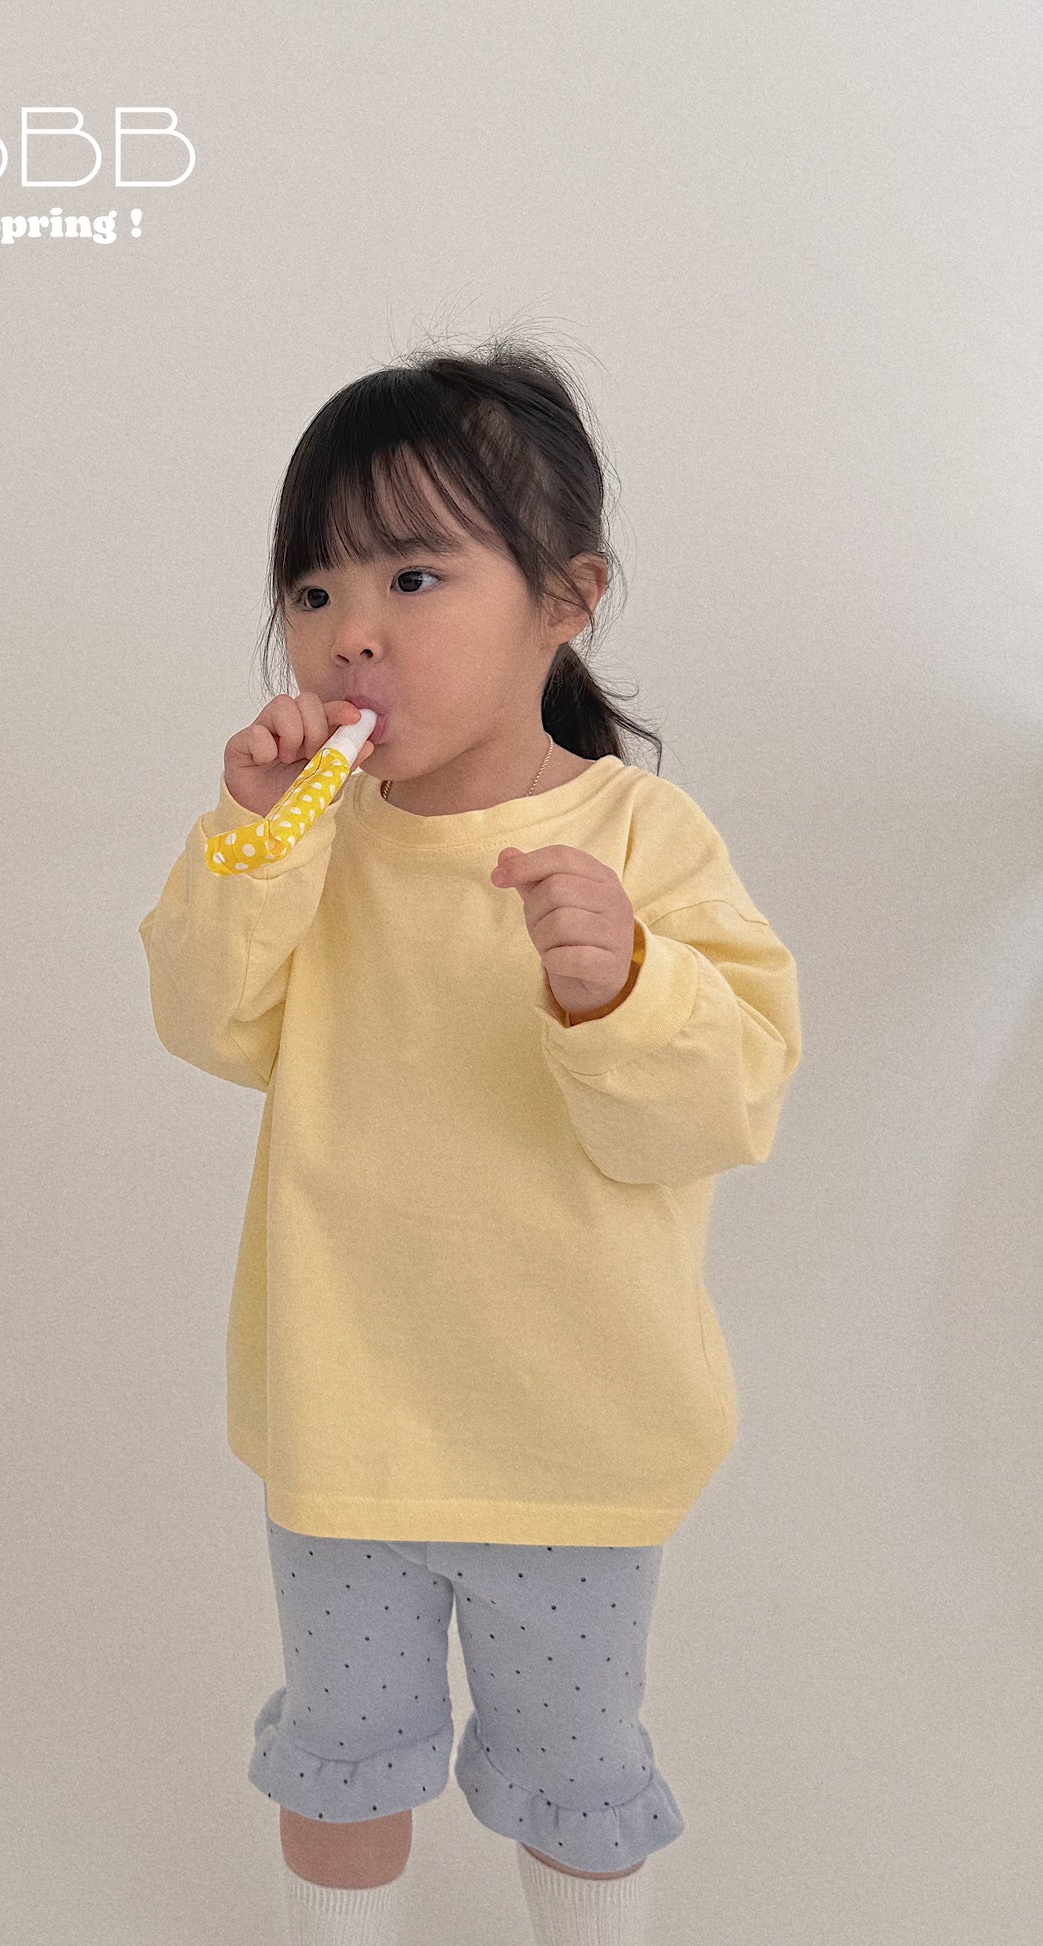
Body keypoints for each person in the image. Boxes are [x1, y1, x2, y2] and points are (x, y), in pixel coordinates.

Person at [136, 338, 803, 1946]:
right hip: (345, 1416)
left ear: (565, 599)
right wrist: (250, 845)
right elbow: (207, 1022)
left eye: (413, 575)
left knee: (573, 1769)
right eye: (311, 587)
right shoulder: (310, 840)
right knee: (340, 1762)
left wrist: (620, 988)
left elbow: (729, 1099)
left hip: (571, 1430)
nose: (347, 628)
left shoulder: (641, 834)